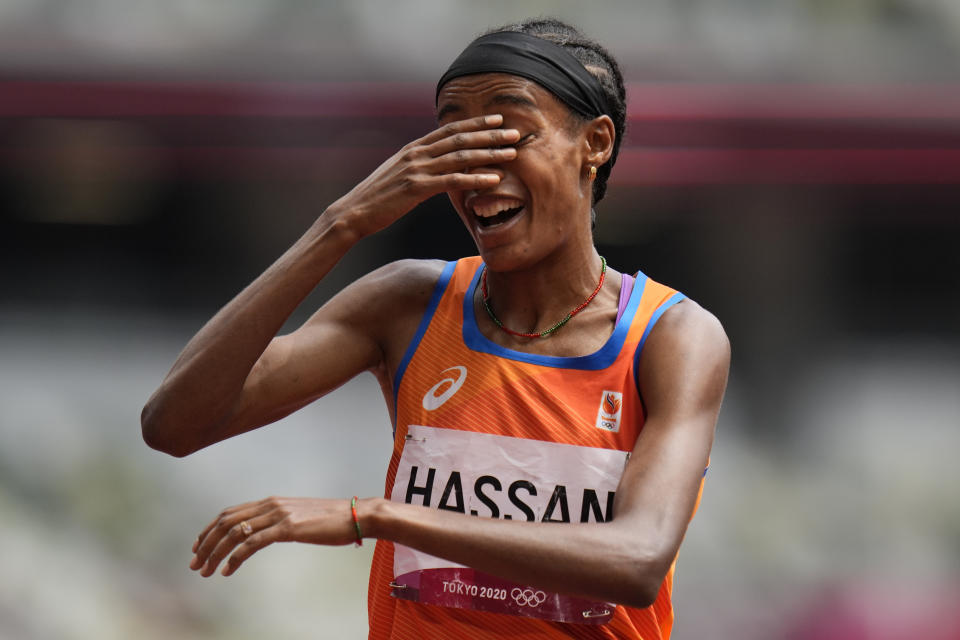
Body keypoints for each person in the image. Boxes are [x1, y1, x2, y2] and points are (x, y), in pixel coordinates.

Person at [142, 17, 730, 640]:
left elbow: (636, 559)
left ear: (595, 143)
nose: (477, 171)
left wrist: (385, 518)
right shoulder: (408, 303)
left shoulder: (672, 338)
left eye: (510, 135)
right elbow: (174, 424)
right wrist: (341, 223)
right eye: (454, 140)